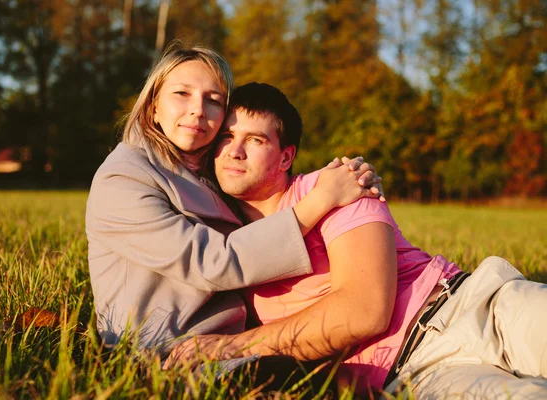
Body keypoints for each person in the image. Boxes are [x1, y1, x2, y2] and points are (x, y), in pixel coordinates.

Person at [167, 82, 547, 398]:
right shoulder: (222, 246)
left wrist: (234, 346)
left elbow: (366, 310)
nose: (234, 150)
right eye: (228, 137)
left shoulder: (332, 186)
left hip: (472, 307)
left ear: (285, 158)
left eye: (255, 139)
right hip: (414, 374)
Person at [85, 45, 383, 355]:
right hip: (167, 352)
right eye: (182, 94)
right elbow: (211, 263)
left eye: (213, 100)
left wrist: (351, 176)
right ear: (153, 107)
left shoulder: (210, 173)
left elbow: (269, 178)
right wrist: (321, 198)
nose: (198, 110)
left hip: (233, 345)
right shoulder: (123, 178)